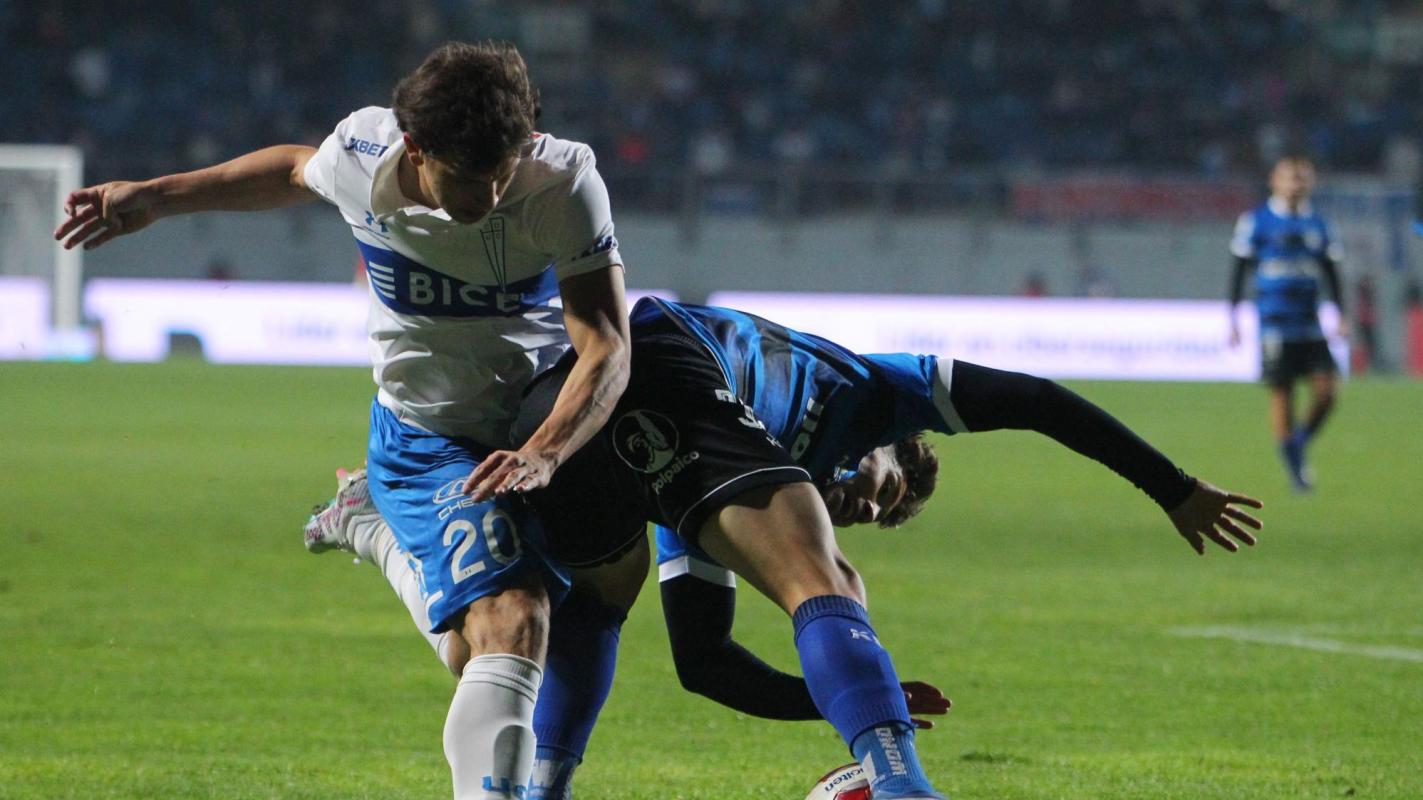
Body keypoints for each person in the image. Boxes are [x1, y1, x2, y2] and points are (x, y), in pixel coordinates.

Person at [310, 297, 1263, 799]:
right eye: (881, 488)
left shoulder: (723, 494)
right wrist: (1173, 488)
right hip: (648, 355)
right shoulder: (879, 390)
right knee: (823, 575)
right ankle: (899, 784)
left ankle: (539, 785)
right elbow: (1036, 400)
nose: (857, 501)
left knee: (550, 616)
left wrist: (837, 698)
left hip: (579, 413)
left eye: (870, 512)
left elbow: (705, 663)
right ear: (899, 448)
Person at [55, 41, 632, 800]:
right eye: (468, 178)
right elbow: (294, 170)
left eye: (501, 172)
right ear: (416, 149)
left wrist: (545, 452)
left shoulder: (562, 179)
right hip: (426, 438)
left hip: (538, 430)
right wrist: (158, 197)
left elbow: (607, 344)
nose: (490, 196)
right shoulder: (363, 153)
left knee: (503, 644)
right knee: (513, 619)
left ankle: (372, 528)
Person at [1228, 155, 1347, 492]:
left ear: (1311, 183)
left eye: (1302, 179)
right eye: (1290, 178)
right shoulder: (1257, 221)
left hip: (1310, 322)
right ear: (1274, 181)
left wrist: (1341, 313)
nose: (1296, 185)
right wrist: (1233, 317)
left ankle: (1298, 442)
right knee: (1284, 393)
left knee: (1327, 392)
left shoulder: (1319, 224)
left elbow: (1331, 271)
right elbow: (1239, 270)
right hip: (1274, 322)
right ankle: (1296, 469)